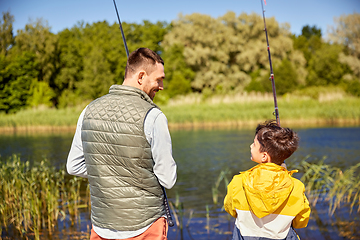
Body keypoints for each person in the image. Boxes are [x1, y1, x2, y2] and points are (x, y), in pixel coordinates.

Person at [67, 48, 177, 240]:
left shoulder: (88, 110)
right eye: (159, 79)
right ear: (141, 76)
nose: (161, 86)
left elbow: (74, 166)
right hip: (146, 227)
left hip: (102, 228)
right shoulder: (154, 116)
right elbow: (168, 179)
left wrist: (109, 173)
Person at [224, 120, 310, 240]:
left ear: (264, 156)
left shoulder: (238, 182)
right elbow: (301, 221)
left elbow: (230, 209)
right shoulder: (295, 187)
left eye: (254, 144)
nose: (250, 146)